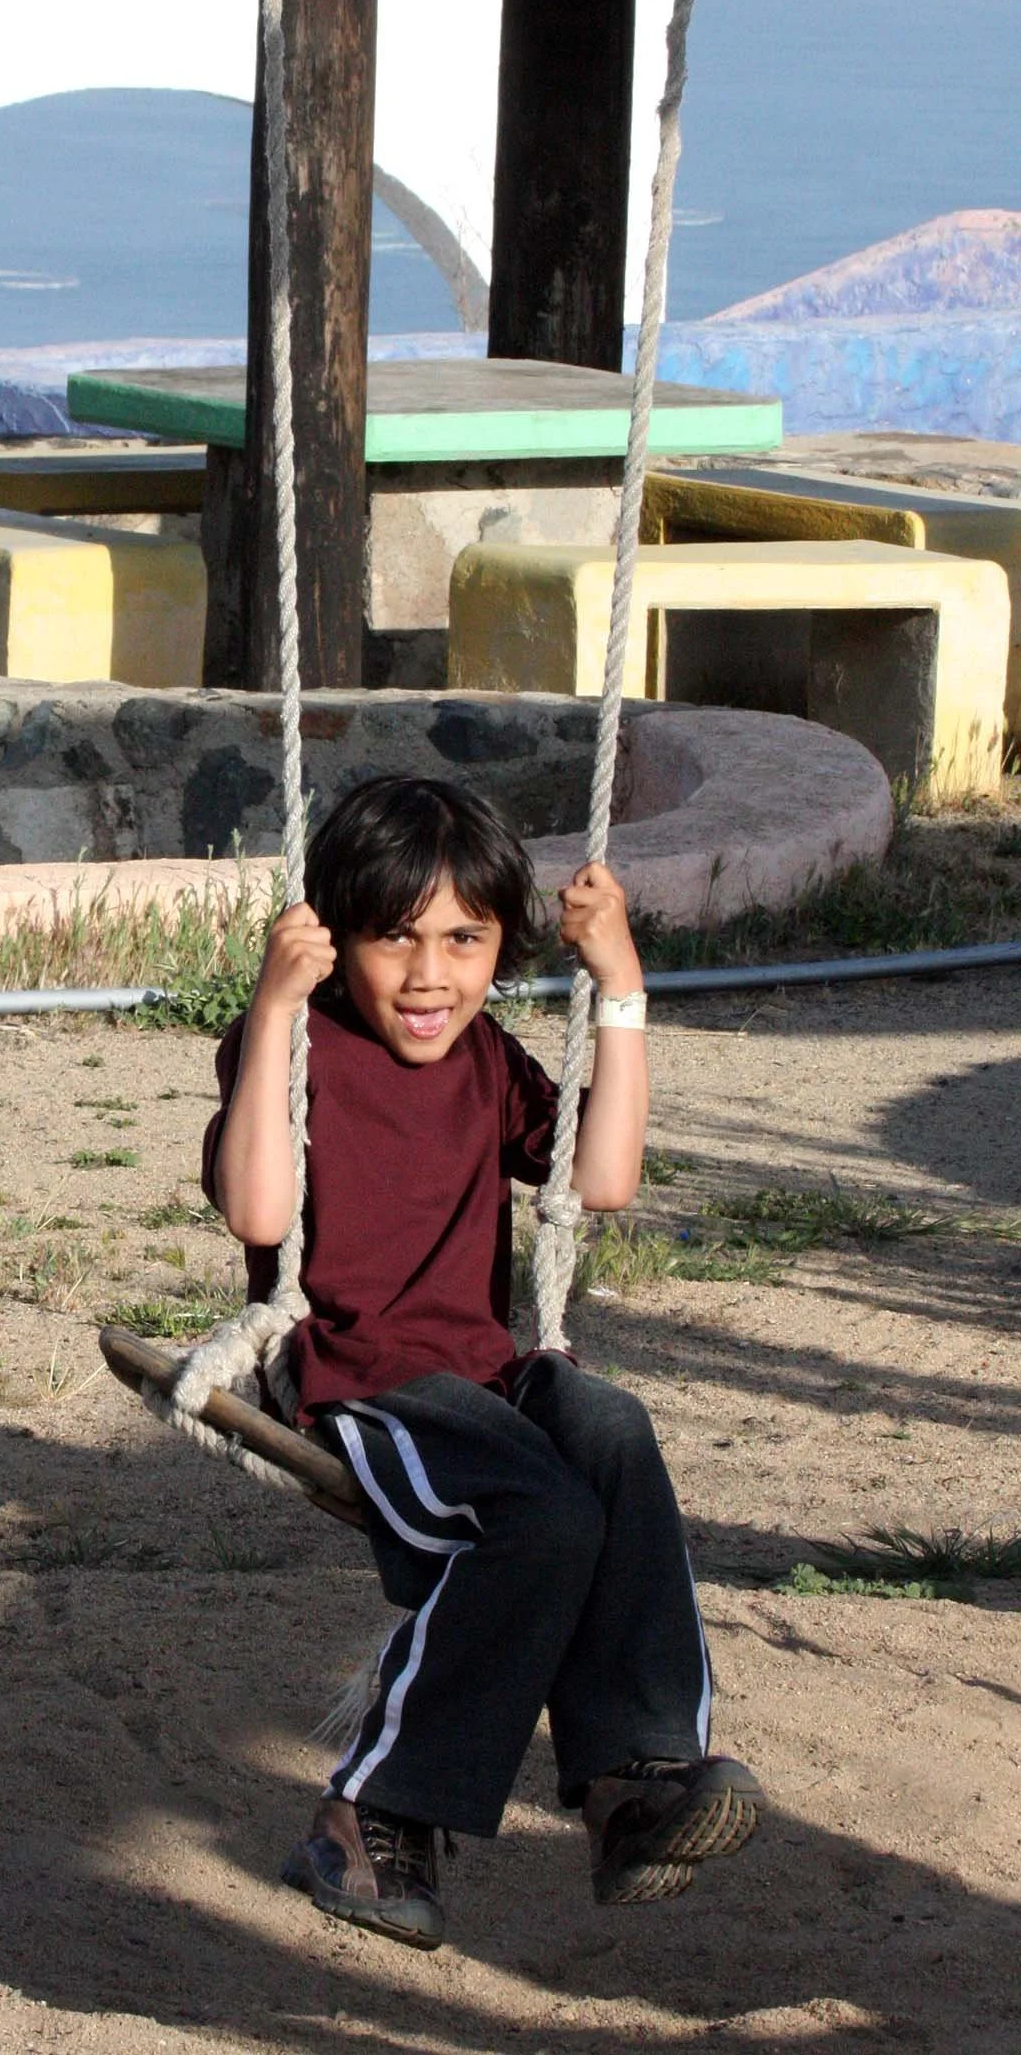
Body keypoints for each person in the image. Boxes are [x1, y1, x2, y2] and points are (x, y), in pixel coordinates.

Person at [202, 774, 760, 1951]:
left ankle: (633, 1775)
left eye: (463, 939)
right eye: (393, 936)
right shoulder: (298, 1046)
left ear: (502, 944)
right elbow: (256, 1209)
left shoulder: (488, 1060)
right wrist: (271, 1002)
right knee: (540, 1517)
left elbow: (601, 1177)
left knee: (608, 1426)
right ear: (332, 937)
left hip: (485, 1376)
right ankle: (367, 1810)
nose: (427, 975)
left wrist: (620, 986)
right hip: (359, 1376)